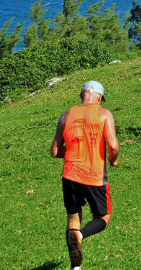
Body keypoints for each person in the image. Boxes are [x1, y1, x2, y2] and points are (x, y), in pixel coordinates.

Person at [50, 81, 119, 270]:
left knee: (73, 220)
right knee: (103, 218)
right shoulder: (104, 114)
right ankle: (80, 236)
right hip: (94, 176)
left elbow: (55, 151)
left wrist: (75, 149)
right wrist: (113, 160)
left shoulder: (66, 116)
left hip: (70, 175)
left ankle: (75, 267)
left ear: (82, 95)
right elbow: (113, 146)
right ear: (97, 96)